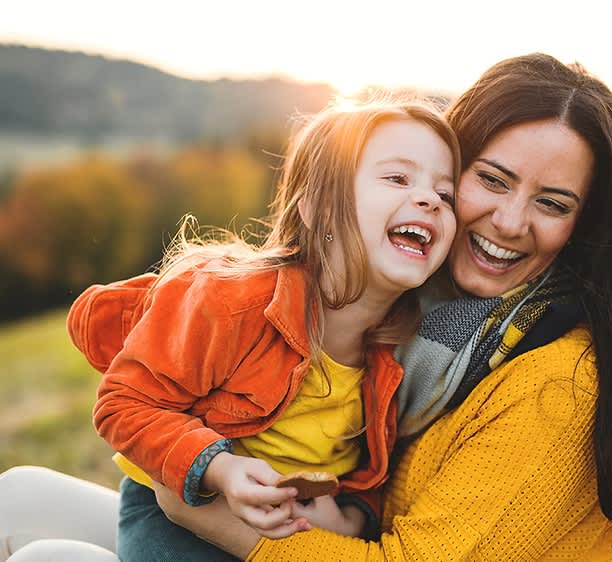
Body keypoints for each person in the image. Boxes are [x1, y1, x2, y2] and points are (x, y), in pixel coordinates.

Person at [0, 52, 612, 562]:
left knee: (51, 557)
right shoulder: (413, 318)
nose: (511, 220)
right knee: (20, 493)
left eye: (553, 204)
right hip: (267, 518)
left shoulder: (552, 376)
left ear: (585, 227)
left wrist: (202, 498)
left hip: (274, 537)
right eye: (489, 179)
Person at [61, 99, 459, 560]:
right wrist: (219, 469)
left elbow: (369, 473)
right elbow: (124, 403)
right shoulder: (232, 300)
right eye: (397, 178)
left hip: (290, 534)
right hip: (181, 506)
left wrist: (350, 517)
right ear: (317, 209)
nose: (430, 199)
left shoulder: (405, 349)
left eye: (445, 194)